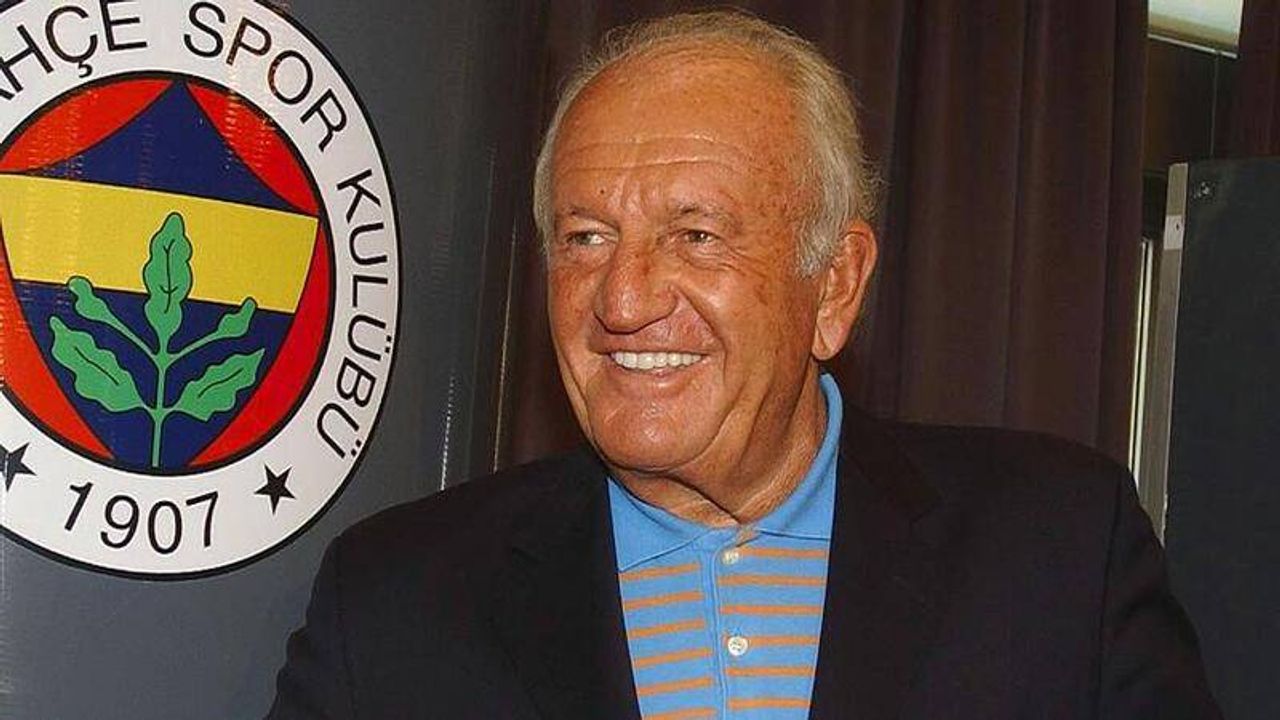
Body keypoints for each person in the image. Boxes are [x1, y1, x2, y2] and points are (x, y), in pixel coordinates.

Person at [268, 11, 1220, 719]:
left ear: (835, 285)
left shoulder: (1057, 551)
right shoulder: (396, 601)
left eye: (696, 235)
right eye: (586, 236)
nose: (623, 300)